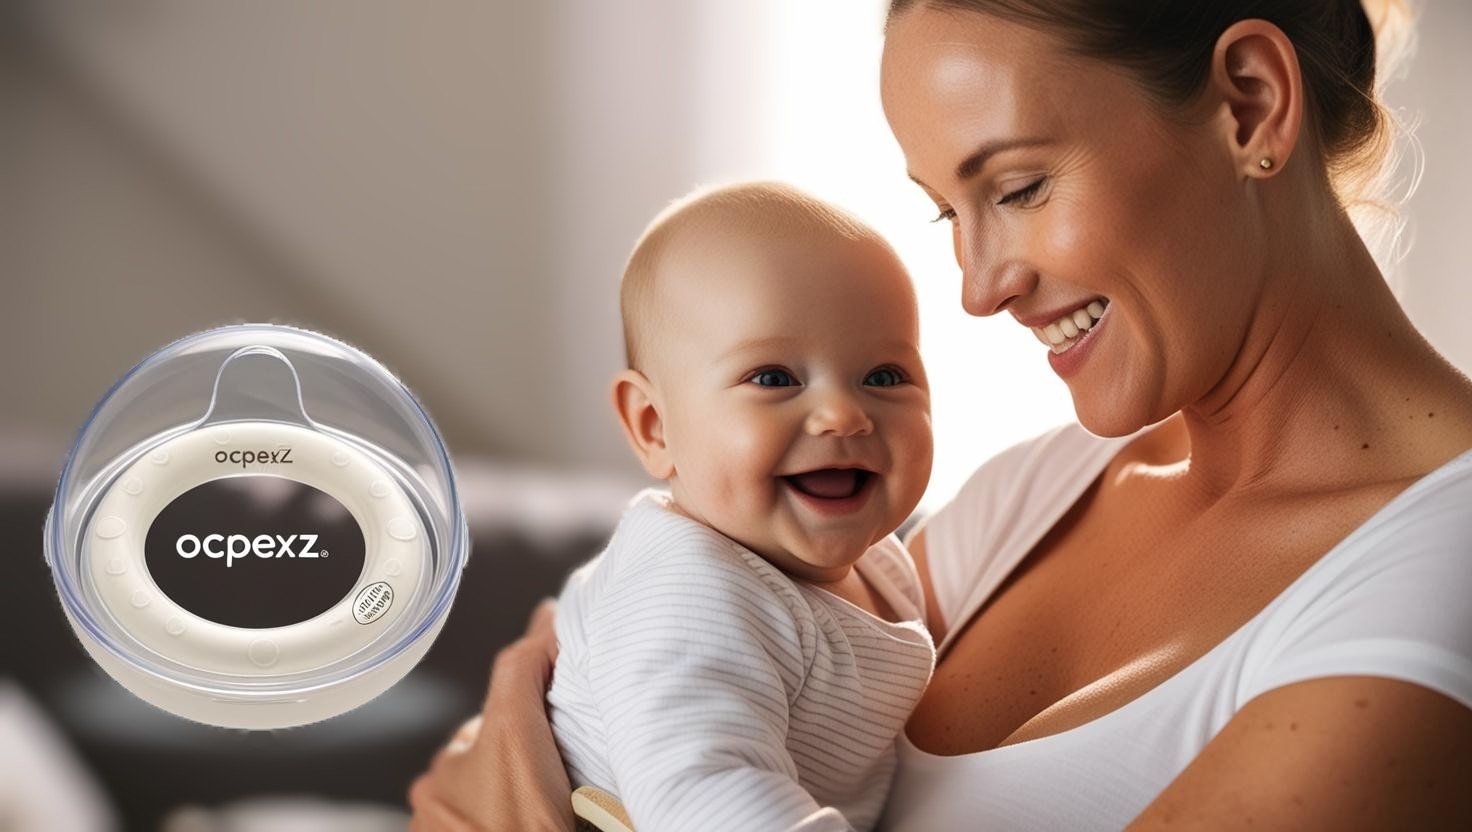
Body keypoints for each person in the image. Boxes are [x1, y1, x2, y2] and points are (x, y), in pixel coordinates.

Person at [409, 1, 1472, 829]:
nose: (976, 287)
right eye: (945, 211)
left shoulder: (1432, 575)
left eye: (1015, 187)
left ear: (1246, 101)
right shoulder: (1036, 489)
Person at [544, 182, 935, 831]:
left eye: (885, 376)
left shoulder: (882, 563)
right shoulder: (688, 588)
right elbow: (704, 792)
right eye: (775, 378)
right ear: (654, 427)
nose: (843, 413)